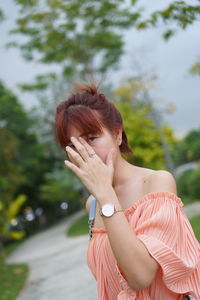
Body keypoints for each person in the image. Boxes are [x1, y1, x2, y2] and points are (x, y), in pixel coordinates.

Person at [55, 83, 200, 300]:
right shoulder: (92, 205)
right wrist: (102, 195)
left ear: (117, 135)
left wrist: (105, 193)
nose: (84, 151)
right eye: (73, 146)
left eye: (92, 138)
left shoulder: (156, 183)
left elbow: (141, 276)